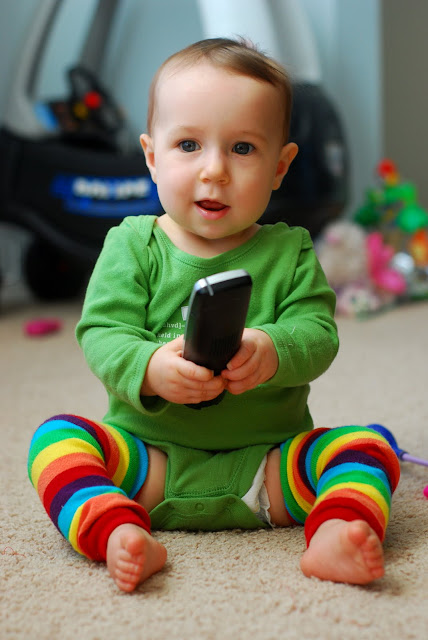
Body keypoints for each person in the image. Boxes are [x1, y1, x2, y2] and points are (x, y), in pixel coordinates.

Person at [28, 38, 400, 592]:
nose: (214, 171)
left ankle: (333, 533)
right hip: (147, 464)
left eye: (243, 148)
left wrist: (272, 350)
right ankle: (115, 530)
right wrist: (151, 367)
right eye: (188, 145)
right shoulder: (131, 244)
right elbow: (103, 334)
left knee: (367, 448)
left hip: (270, 469)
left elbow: (319, 334)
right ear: (151, 157)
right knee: (56, 441)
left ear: (280, 166)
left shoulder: (291, 250)